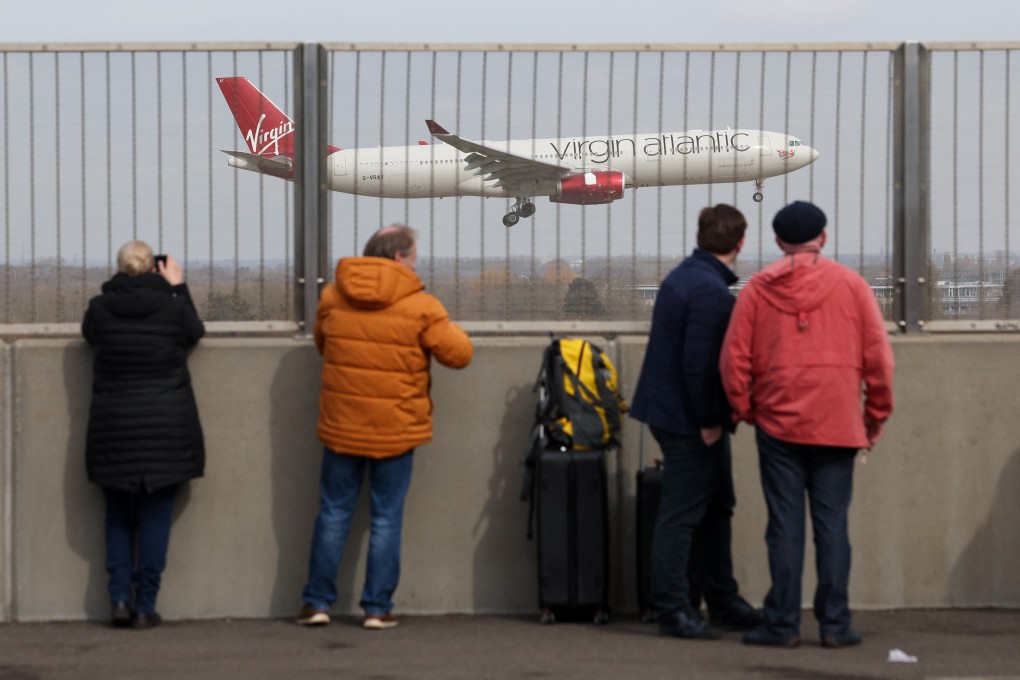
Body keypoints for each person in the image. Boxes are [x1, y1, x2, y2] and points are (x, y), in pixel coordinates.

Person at [720, 200, 894, 649]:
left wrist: (747, 409)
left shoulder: (758, 290)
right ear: (825, 237)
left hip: (777, 424)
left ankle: (782, 625)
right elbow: (879, 360)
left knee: (784, 525)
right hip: (838, 422)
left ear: (779, 242)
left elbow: (734, 360)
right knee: (833, 525)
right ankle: (835, 625)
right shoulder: (852, 287)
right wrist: (873, 419)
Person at [296, 224, 473, 630]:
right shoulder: (420, 306)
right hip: (396, 428)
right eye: (413, 257)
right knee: (386, 518)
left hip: (343, 426)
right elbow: (459, 355)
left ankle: (317, 603)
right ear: (398, 258)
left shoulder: (332, 297)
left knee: (333, 513)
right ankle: (377, 608)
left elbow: (324, 346)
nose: (415, 264)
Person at [629, 204, 764, 640]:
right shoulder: (708, 292)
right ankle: (675, 609)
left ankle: (721, 600)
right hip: (690, 420)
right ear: (740, 242)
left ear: (701, 235)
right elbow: (699, 366)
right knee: (683, 515)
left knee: (716, 507)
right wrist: (710, 421)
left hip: (676, 413)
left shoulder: (685, 277)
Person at [82, 241, 205, 630]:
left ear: (118, 268)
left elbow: (89, 336)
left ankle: (118, 598)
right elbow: (194, 332)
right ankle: (145, 605)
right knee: (155, 520)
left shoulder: (100, 310)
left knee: (117, 517)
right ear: (156, 268)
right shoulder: (172, 308)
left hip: (113, 429)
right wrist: (177, 286)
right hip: (165, 431)